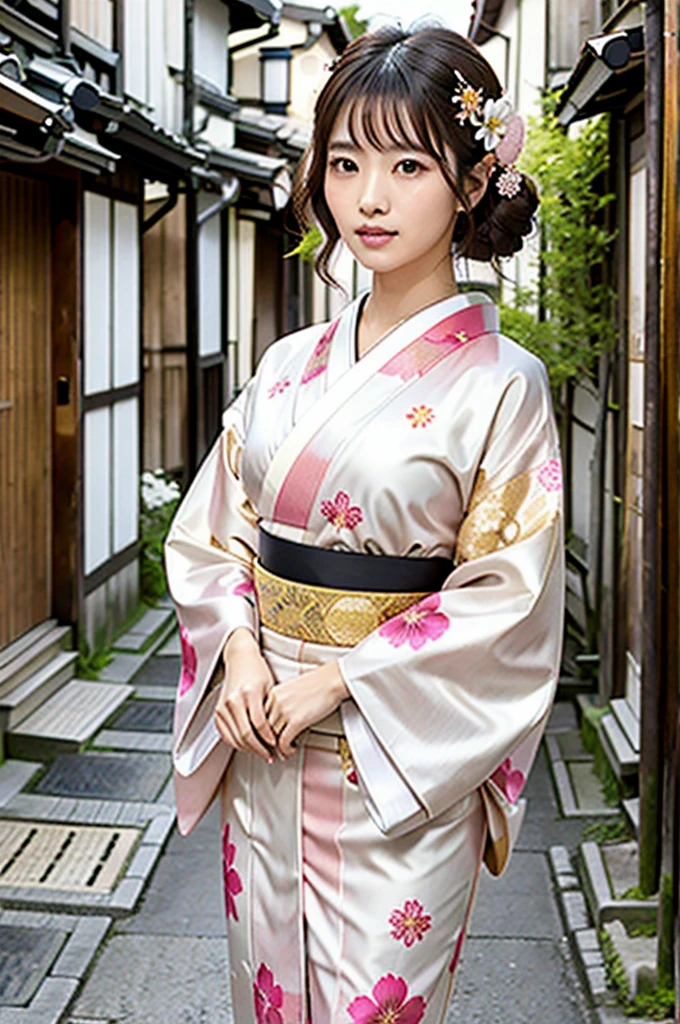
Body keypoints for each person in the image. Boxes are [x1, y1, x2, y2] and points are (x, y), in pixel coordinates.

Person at [166, 24, 565, 1024]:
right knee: (268, 997)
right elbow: (216, 529)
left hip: (391, 762)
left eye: (406, 164)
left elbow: (506, 599)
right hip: (261, 741)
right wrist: (241, 659)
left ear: (470, 184)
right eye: (344, 164)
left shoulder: (502, 388)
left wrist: (339, 679)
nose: (369, 198)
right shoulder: (286, 364)